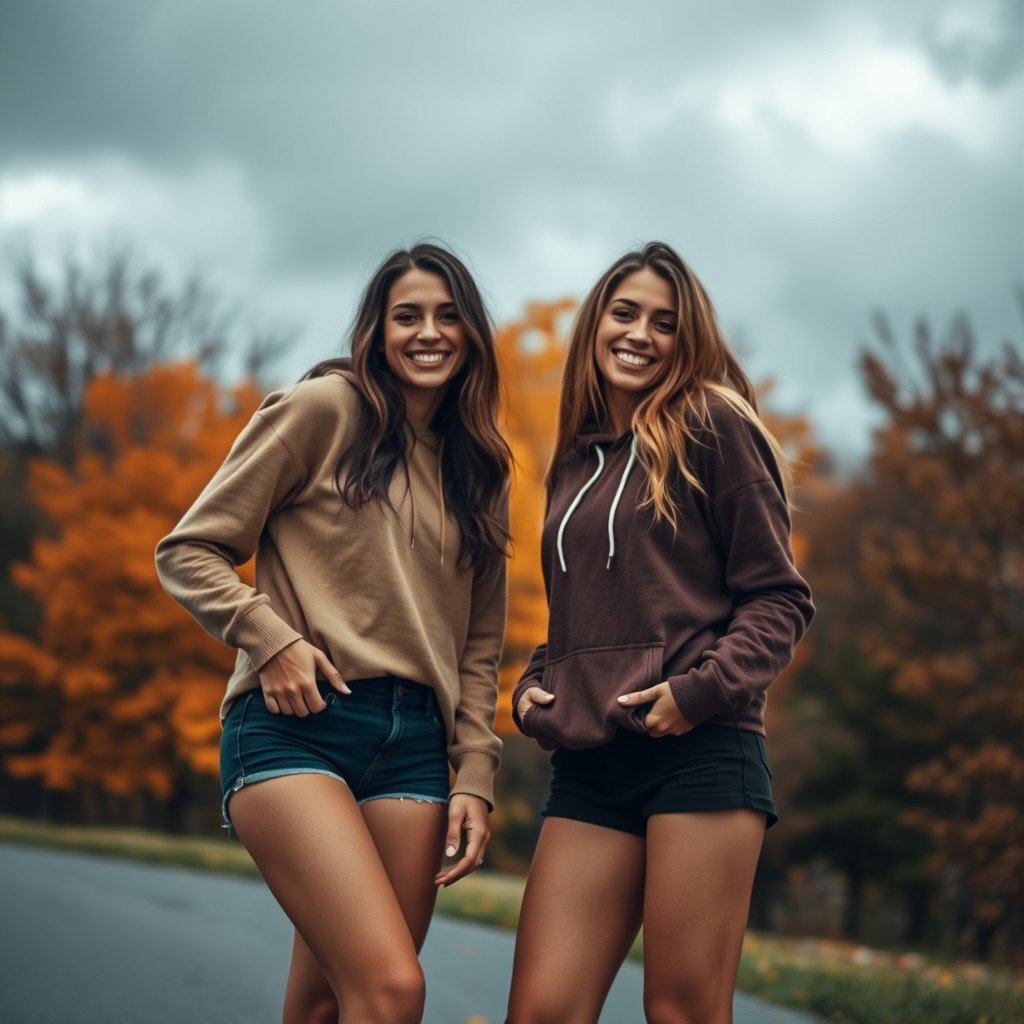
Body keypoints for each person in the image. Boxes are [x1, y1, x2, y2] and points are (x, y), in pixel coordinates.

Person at [156, 243, 511, 1024]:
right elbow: (188, 551)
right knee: (393, 991)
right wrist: (270, 639)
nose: (429, 332)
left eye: (448, 316)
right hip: (297, 726)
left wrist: (475, 776)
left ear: (473, 334)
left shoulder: (483, 467)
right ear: (377, 332)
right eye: (407, 316)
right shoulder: (324, 410)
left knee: (326, 1001)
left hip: (415, 746)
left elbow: (479, 648)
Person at [506, 241, 814, 1024]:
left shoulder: (713, 423)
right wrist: (535, 683)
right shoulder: (575, 460)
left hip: (700, 752)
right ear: (595, 325)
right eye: (625, 313)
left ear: (688, 338)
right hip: (590, 763)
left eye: (664, 322)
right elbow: (585, 615)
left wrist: (697, 693)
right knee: (541, 1011)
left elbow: (779, 600)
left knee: (681, 1011)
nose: (640, 334)